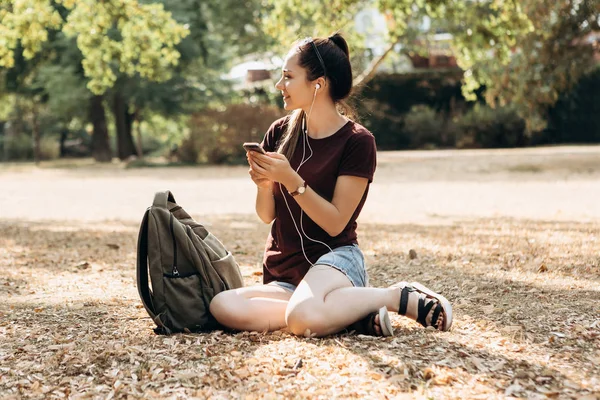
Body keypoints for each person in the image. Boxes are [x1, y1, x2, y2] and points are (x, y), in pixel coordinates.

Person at [209, 33, 453, 337]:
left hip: (335, 260)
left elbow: (336, 222)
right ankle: (349, 314)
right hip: (286, 271)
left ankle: (396, 295)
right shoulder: (279, 132)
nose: (279, 85)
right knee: (223, 306)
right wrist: (262, 184)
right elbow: (266, 215)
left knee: (300, 318)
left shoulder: (357, 142)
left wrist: (291, 180)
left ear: (318, 83)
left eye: (288, 76)